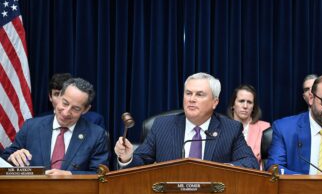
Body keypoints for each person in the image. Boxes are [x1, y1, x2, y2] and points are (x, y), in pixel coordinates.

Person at [114, 72, 259, 169]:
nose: (191, 99)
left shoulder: (230, 129)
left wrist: (222, 171)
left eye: (199, 94)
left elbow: (250, 163)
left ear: (215, 102)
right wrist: (128, 158)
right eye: (188, 93)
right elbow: (140, 160)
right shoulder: (162, 126)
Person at [1, 78, 109, 175]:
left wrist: (71, 175)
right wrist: (12, 157)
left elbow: (100, 174)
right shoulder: (31, 127)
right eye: (65, 103)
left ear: (85, 110)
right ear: (59, 97)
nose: (66, 112)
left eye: (75, 109)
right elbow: (5, 158)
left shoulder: (97, 135)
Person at [227, 84, 270, 169]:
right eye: (241, 101)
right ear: (233, 104)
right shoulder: (222, 126)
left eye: (249, 102)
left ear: (253, 107)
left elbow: (267, 163)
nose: (245, 106)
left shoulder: (265, 127)